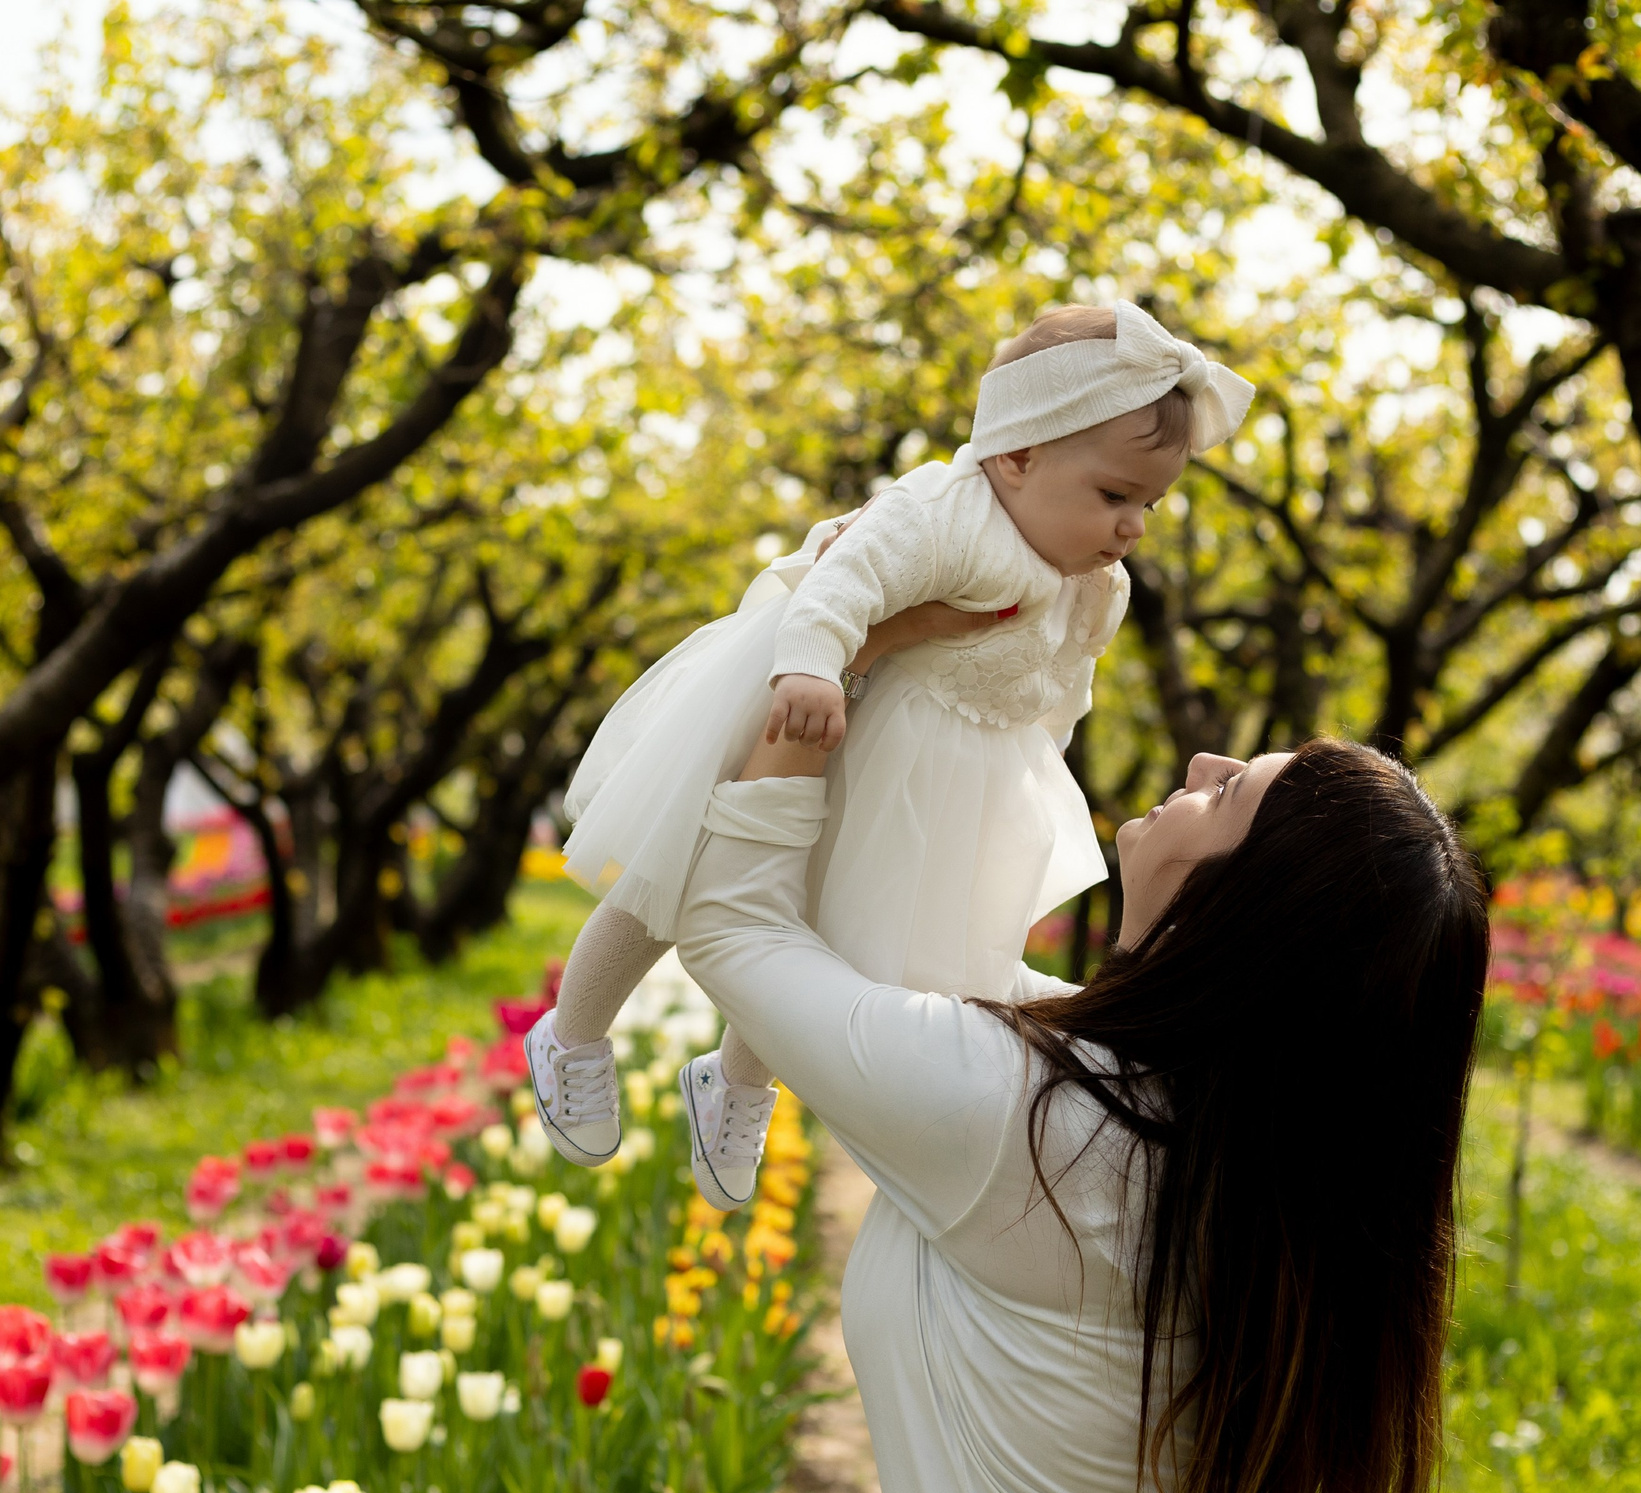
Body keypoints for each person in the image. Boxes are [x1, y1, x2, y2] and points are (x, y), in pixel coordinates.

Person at [672, 732, 1491, 1493]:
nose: (1197, 765)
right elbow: (918, 956)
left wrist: (804, 697)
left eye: (1228, 796)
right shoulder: (1252, 1159)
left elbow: (729, 927)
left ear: (1240, 919)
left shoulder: (1032, 1121)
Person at [529, 303, 1256, 1211]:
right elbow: (845, 578)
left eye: (1148, 505)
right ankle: (573, 1032)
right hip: (818, 707)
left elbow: (1062, 685)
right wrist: (810, 666)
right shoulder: (947, 512)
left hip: (925, 773)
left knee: (818, 925)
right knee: (671, 877)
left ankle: (739, 1083)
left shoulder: (1093, 587)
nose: (1132, 528)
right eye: (1114, 496)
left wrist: (1033, 766)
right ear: (1017, 454)